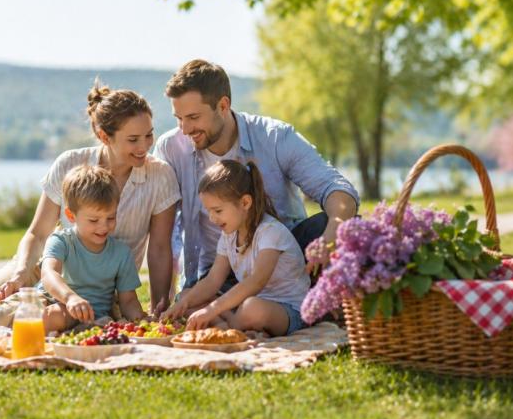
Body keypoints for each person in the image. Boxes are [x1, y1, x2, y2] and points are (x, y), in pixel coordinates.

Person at [0, 80, 180, 334]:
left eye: (148, 135)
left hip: (106, 287)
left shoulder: (160, 175)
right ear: (104, 135)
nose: (144, 146)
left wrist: (158, 306)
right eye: (133, 139)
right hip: (47, 270)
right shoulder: (70, 163)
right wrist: (21, 272)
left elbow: (158, 248)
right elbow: (38, 233)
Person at [154, 59, 359, 296]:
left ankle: (305, 299)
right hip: (218, 272)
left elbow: (337, 189)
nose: (185, 128)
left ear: (223, 105)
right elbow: (164, 232)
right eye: (179, 118)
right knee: (203, 313)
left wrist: (330, 237)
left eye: (193, 117)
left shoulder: (274, 137)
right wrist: (163, 299)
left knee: (343, 226)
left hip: (284, 258)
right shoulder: (171, 149)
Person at [0, 165, 147, 331]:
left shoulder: (121, 253)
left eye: (111, 218)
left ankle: (12, 334)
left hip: (91, 316)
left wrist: (141, 321)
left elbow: (128, 300)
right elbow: (49, 275)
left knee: (57, 318)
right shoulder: (61, 241)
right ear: (71, 215)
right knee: (17, 312)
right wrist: (70, 298)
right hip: (47, 300)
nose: (104, 226)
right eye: (94, 220)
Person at [162, 160, 309, 336]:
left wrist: (212, 309)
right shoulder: (229, 235)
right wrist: (181, 305)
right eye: (209, 211)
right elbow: (212, 281)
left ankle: (226, 328)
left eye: (217, 211)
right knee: (187, 295)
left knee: (252, 309)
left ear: (245, 202)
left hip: (289, 311)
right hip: (247, 304)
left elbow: (256, 282)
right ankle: (236, 328)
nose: (212, 218)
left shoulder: (271, 232)